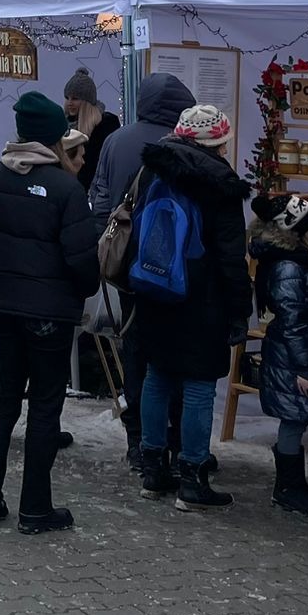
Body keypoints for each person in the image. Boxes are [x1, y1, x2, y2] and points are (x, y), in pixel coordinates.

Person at [0, 91, 99, 534]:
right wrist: (82, 290)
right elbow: (81, 259)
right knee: (44, 409)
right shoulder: (65, 187)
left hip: (1, 309)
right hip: (49, 316)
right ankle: (35, 508)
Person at [130, 103, 251, 513]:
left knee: (157, 375)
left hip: (153, 286)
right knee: (199, 385)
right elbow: (232, 256)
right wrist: (240, 310)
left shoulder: (152, 168)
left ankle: (152, 469)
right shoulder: (222, 183)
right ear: (218, 141)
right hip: (202, 298)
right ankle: (193, 478)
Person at [87, 70, 197, 464]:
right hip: (175, 272)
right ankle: (175, 440)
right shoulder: (184, 146)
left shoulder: (116, 140)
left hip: (127, 269)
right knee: (176, 358)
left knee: (135, 353)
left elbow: (100, 201)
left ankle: (139, 442)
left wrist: (109, 247)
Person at [249, 194, 308, 518]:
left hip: (290, 353)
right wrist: (305, 368)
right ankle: (288, 488)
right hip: (291, 356)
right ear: (298, 229)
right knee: (294, 418)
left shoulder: (290, 259)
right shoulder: (288, 266)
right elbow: (293, 320)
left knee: (296, 418)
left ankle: (293, 484)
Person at [61, 68, 120, 197]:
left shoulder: (104, 125)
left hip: (93, 193)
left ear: (86, 101)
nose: (70, 103)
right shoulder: (62, 125)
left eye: (75, 98)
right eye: (67, 97)